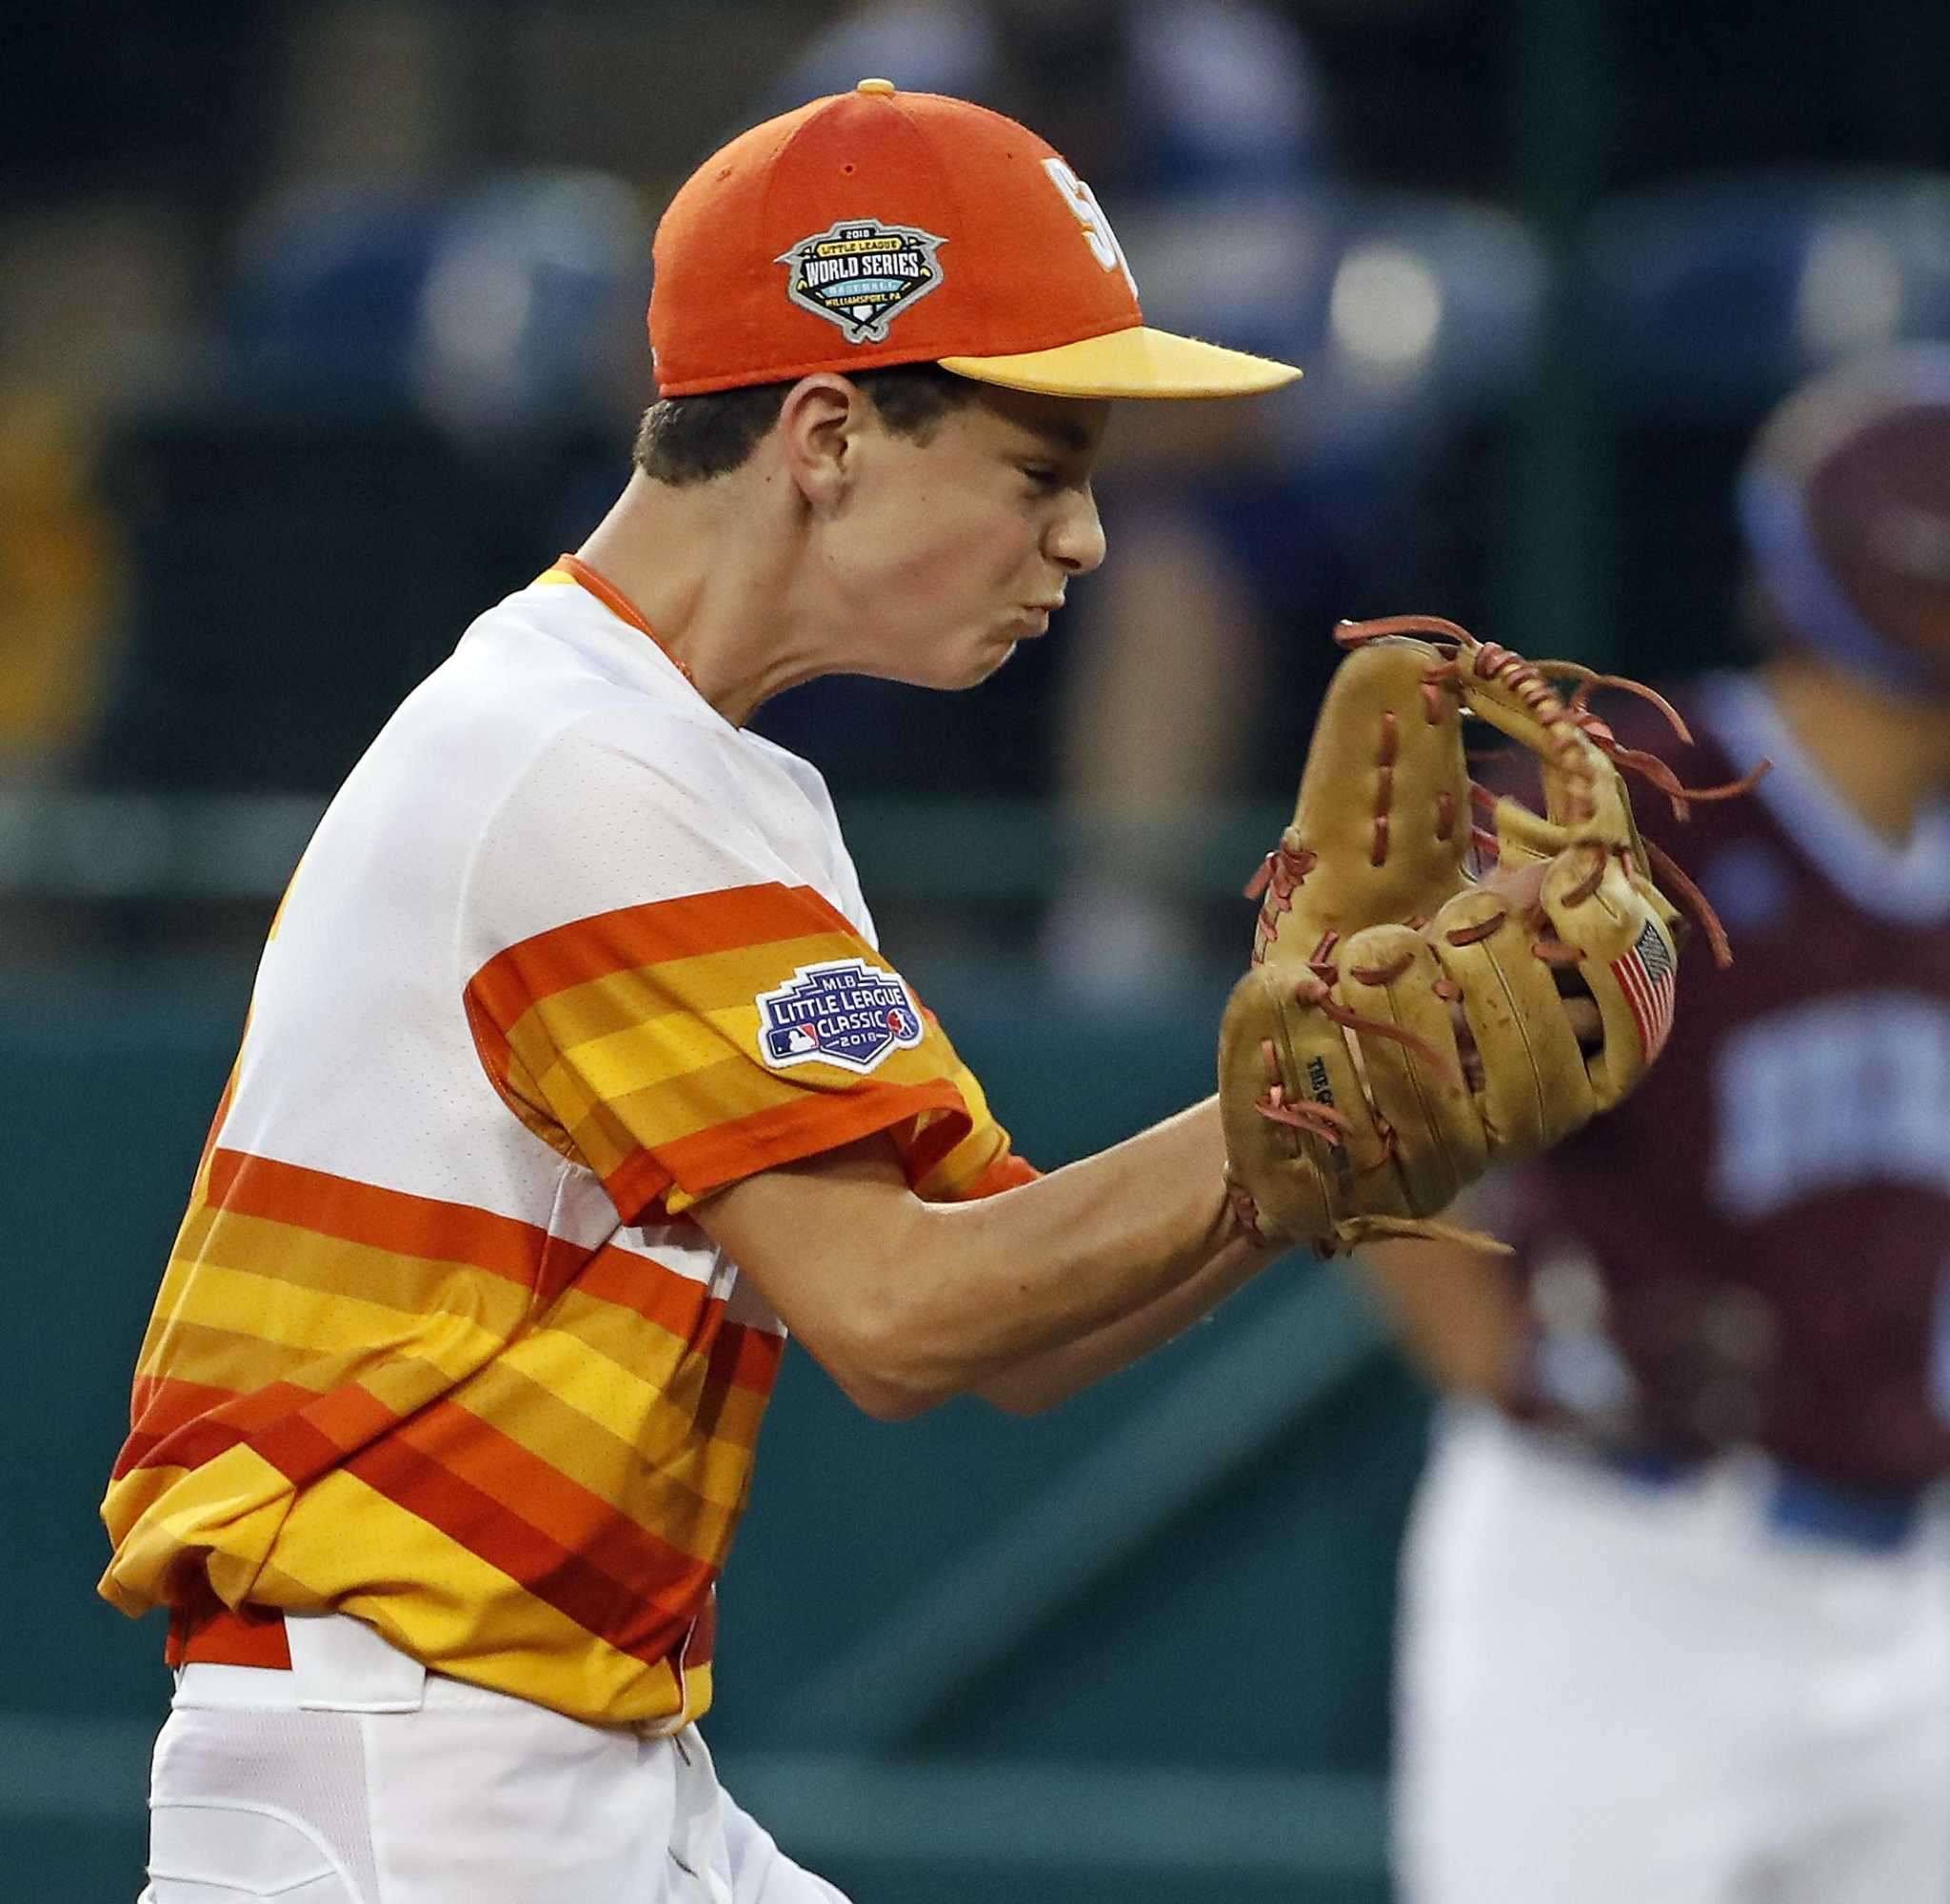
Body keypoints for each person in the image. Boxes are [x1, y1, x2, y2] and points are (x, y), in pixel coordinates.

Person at [98, 82, 1310, 1904]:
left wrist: (1325, 1158)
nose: (1085, 542)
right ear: (826, 431)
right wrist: (1306, 1104)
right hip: (410, 1776)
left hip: (547, 1756)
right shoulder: (579, 769)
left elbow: (1022, 1321)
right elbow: (900, 1317)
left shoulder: (700, 774)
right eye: (1043, 470)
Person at [1365, 345, 1950, 1904]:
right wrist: (1493, 1349)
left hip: (1915, 1566)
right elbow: (1369, 1082)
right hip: (1624, 1563)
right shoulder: (1634, 804)